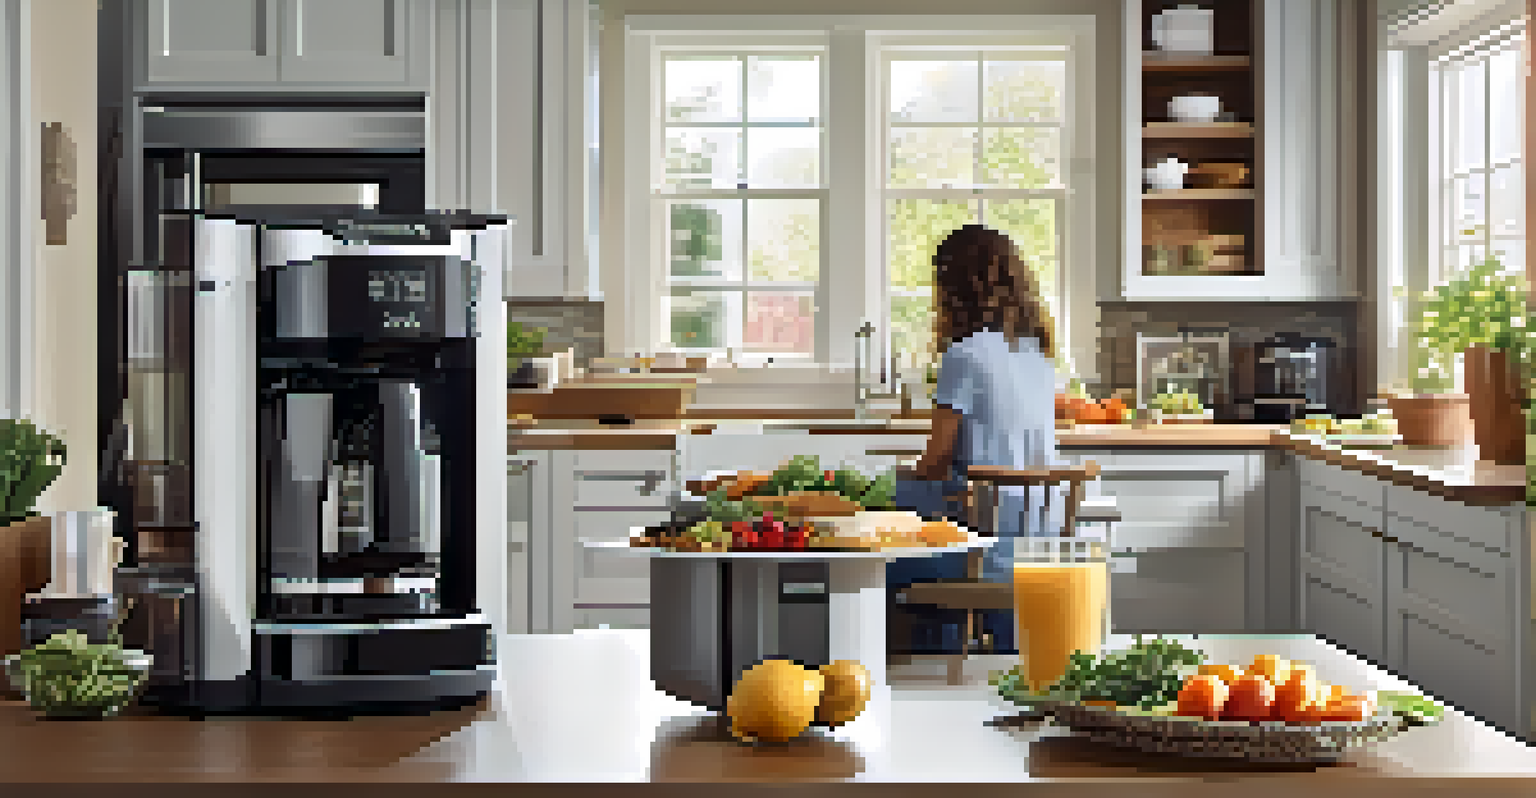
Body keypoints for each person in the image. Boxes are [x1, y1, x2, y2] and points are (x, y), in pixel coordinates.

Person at [888, 224, 1067, 655]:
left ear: (953, 289)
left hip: (984, 549)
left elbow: (935, 462)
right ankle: (970, 659)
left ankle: (927, 669)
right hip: (1036, 542)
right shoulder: (1036, 354)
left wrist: (892, 481)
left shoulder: (964, 355)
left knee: (875, 557)